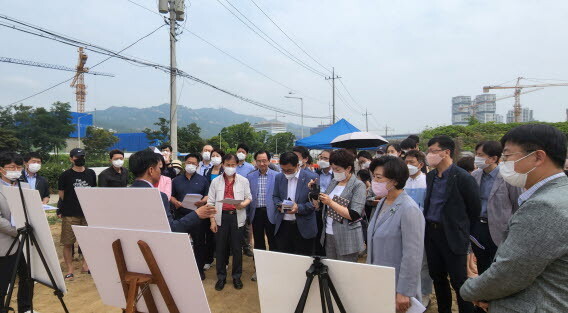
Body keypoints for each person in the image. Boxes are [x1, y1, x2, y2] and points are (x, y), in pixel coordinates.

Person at [461, 124, 568, 312]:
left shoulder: (543, 206)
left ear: (538, 157)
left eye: (508, 156)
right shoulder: (561, 192)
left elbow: (510, 273)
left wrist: (470, 291)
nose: (504, 163)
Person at [424, 136, 481, 313]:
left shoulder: (463, 178)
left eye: (433, 151)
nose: (429, 155)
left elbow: (474, 210)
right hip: (432, 234)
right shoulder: (431, 176)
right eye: (429, 151)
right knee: (438, 278)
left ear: (446, 152)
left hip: (453, 235)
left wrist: (463, 233)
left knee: (459, 281)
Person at [367, 155, 425, 313]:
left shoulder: (409, 209)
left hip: (398, 285)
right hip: (380, 280)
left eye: (379, 177)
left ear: (394, 180)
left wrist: (404, 291)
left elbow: (413, 254)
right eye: (374, 177)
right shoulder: (383, 202)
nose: (374, 181)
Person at [129, 149, 216, 233]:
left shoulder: (125, 194)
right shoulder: (159, 197)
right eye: (159, 168)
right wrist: (197, 214)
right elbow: (171, 228)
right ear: (151, 170)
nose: (160, 172)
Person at [470, 141, 522, 277]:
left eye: (480, 155)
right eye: (476, 154)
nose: (477, 158)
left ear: (493, 158)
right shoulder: (475, 175)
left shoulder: (508, 177)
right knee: (482, 263)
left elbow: (518, 204)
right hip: (478, 227)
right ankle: (484, 297)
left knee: (498, 265)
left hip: (500, 228)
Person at [208, 153, 252, 291]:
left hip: (236, 217)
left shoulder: (243, 181)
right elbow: (210, 202)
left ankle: (236, 277)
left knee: (237, 249)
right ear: (223, 165)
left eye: (233, 165)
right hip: (221, 218)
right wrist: (212, 221)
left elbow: (248, 197)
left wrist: (242, 204)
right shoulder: (215, 181)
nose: (230, 168)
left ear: (237, 165)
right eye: (228, 165)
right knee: (221, 249)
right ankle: (221, 277)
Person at [316, 149, 366, 261]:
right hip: (329, 232)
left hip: (347, 235)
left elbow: (354, 214)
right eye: (333, 169)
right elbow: (325, 205)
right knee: (332, 270)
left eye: (337, 169)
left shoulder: (358, 185)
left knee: (345, 272)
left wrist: (330, 202)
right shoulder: (334, 181)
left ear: (348, 168)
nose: (335, 172)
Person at [58, 148, 97, 280]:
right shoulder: (65, 175)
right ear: (71, 159)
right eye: (77, 157)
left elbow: (93, 191)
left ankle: (86, 265)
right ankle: (70, 269)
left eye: (82, 156)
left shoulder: (91, 173)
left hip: (87, 214)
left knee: (87, 241)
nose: (80, 158)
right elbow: (62, 195)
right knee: (68, 242)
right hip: (70, 214)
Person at [0, 152, 32, 313]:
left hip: (26, 242)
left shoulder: (24, 186)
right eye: (11, 167)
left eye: (18, 167)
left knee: (27, 278)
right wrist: (18, 231)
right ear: (1, 169)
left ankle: (25, 308)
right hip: (6, 243)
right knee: (3, 280)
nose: (15, 170)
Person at [170, 153, 210, 280]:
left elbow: (208, 195)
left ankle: (199, 269)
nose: (191, 165)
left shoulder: (203, 180)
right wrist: (175, 201)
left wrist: (202, 202)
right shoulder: (176, 180)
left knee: (199, 244)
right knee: (181, 244)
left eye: (193, 163)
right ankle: (181, 268)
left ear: (198, 165)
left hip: (198, 216)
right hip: (181, 216)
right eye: (188, 162)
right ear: (184, 163)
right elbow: (170, 195)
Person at [272, 152, 318, 256]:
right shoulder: (279, 177)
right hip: (283, 225)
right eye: (283, 170)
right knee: (285, 259)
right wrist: (280, 205)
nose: (286, 173)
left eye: (289, 170)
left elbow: (315, 203)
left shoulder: (311, 178)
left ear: (297, 165)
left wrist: (298, 208)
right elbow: (275, 196)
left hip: (303, 226)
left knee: (303, 260)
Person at [404, 150, 432, 307]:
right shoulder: (402, 181)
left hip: (423, 227)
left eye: (411, 162)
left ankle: (425, 293)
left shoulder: (427, 181)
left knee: (423, 262)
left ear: (420, 164)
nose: (408, 165)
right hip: (405, 226)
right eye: (406, 162)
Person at [247, 150, 278, 281]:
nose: (262, 163)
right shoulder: (250, 176)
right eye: (259, 161)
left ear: (269, 161)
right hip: (257, 213)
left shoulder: (277, 176)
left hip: (272, 213)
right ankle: (258, 270)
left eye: (264, 160)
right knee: (258, 243)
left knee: (273, 242)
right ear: (255, 162)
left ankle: (273, 270)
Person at [236, 143, 255, 257]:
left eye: (243, 152)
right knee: (235, 224)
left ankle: (247, 246)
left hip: (246, 200)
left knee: (247, 226)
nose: (240, 154)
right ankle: (235, 246)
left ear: (247, 154)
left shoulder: (250, 167)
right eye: (239, 151)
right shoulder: (232, 166)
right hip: (233, 200)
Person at [314, 150, 333, 256]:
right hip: (318, 207)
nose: (322, 160)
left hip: (331, 207)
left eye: (325, 158)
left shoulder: (336, 175)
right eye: (321, 158)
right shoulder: (315, 174)